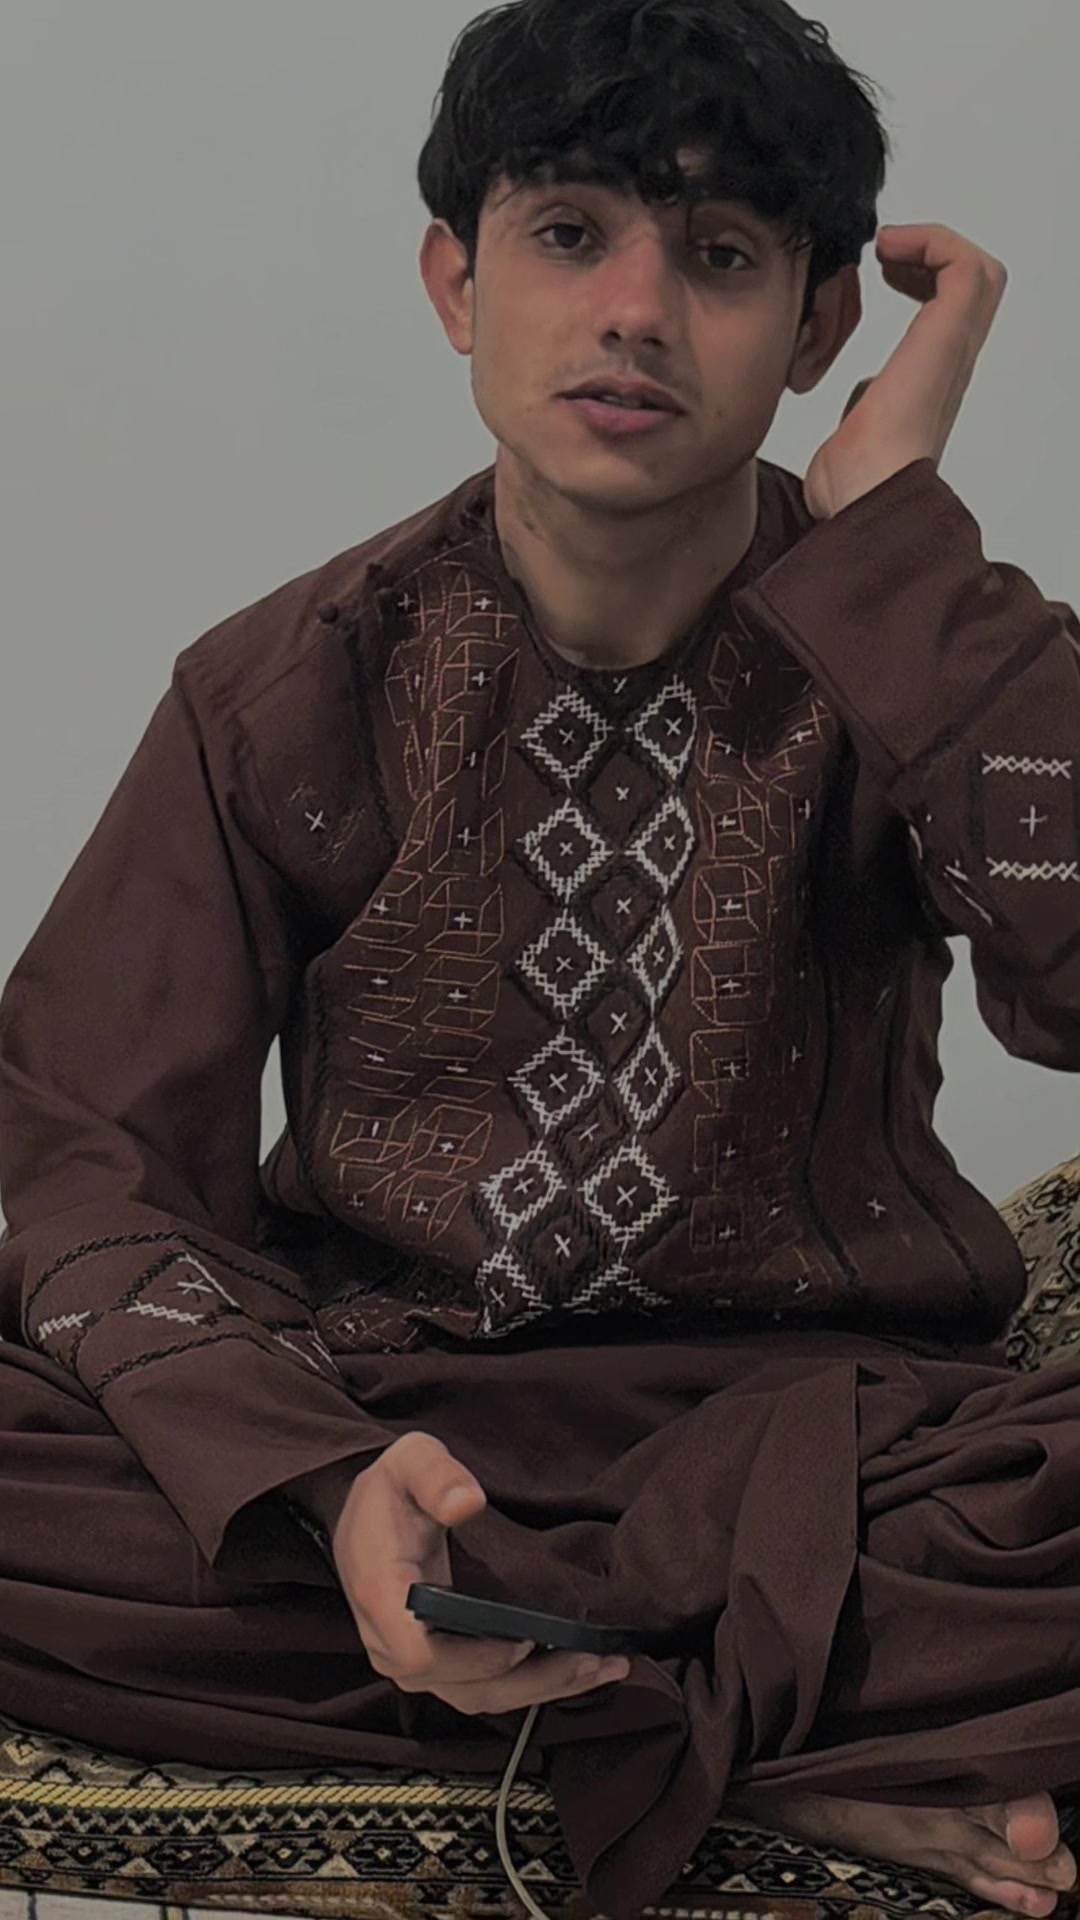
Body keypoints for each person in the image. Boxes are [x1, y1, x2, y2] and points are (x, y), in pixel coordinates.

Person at [1, 0, 1079, 1916]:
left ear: (821, 327)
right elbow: (77, 1149)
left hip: (840, 1450)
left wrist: (900, 548)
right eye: (570, 233)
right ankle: (772, 1754)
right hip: (397, 1414)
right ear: (457, 282)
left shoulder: (901, 629)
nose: (636, 313)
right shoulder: (286, 685)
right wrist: (318, 1482)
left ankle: (587, 1716)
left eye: (723, 257)